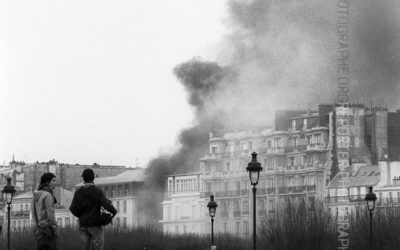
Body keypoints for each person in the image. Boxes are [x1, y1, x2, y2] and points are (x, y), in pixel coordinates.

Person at [70, 168, 117, 250]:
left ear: (83, 178)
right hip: (95, 224)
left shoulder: (78, 192)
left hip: (83, 225)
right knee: (97, 247)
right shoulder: (97, 191)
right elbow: (105, 204)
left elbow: (72, 208)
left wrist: (81, 216)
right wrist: (114, 211)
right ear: (93, 178)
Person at [32, 172, 58, 250]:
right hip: (48, 231)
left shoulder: (35, 196)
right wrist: (55, 229)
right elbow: (50, 215)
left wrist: (37, 226)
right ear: (47, 182)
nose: (55, 183)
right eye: (53, 181)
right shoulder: (48, 195)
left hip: (39, 230)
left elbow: (33, 214)